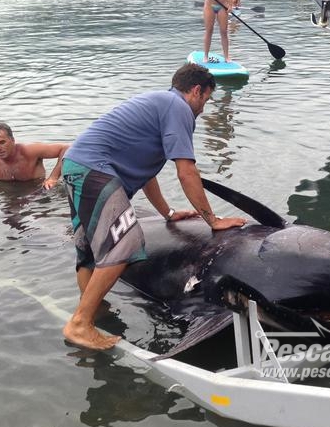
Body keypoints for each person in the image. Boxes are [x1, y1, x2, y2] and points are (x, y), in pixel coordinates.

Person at [61, 63, 247, 350]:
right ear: (196, 91)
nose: (203, 109)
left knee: (88, 248)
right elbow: (186, 171)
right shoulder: (178, 108)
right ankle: (80, 323)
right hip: (94, 168)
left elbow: (147, 172)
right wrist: (213, 220)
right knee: (126, 241)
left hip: (77, 165)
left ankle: (94, 311)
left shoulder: (159, 104)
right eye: (206, 100)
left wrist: (168, 213)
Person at [0, 123, 70, 190]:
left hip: (40, 193)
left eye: (2, 142)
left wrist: (53, 178)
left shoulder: (31, 151)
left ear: (12, 140)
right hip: (11, 199)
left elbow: (66, 148)